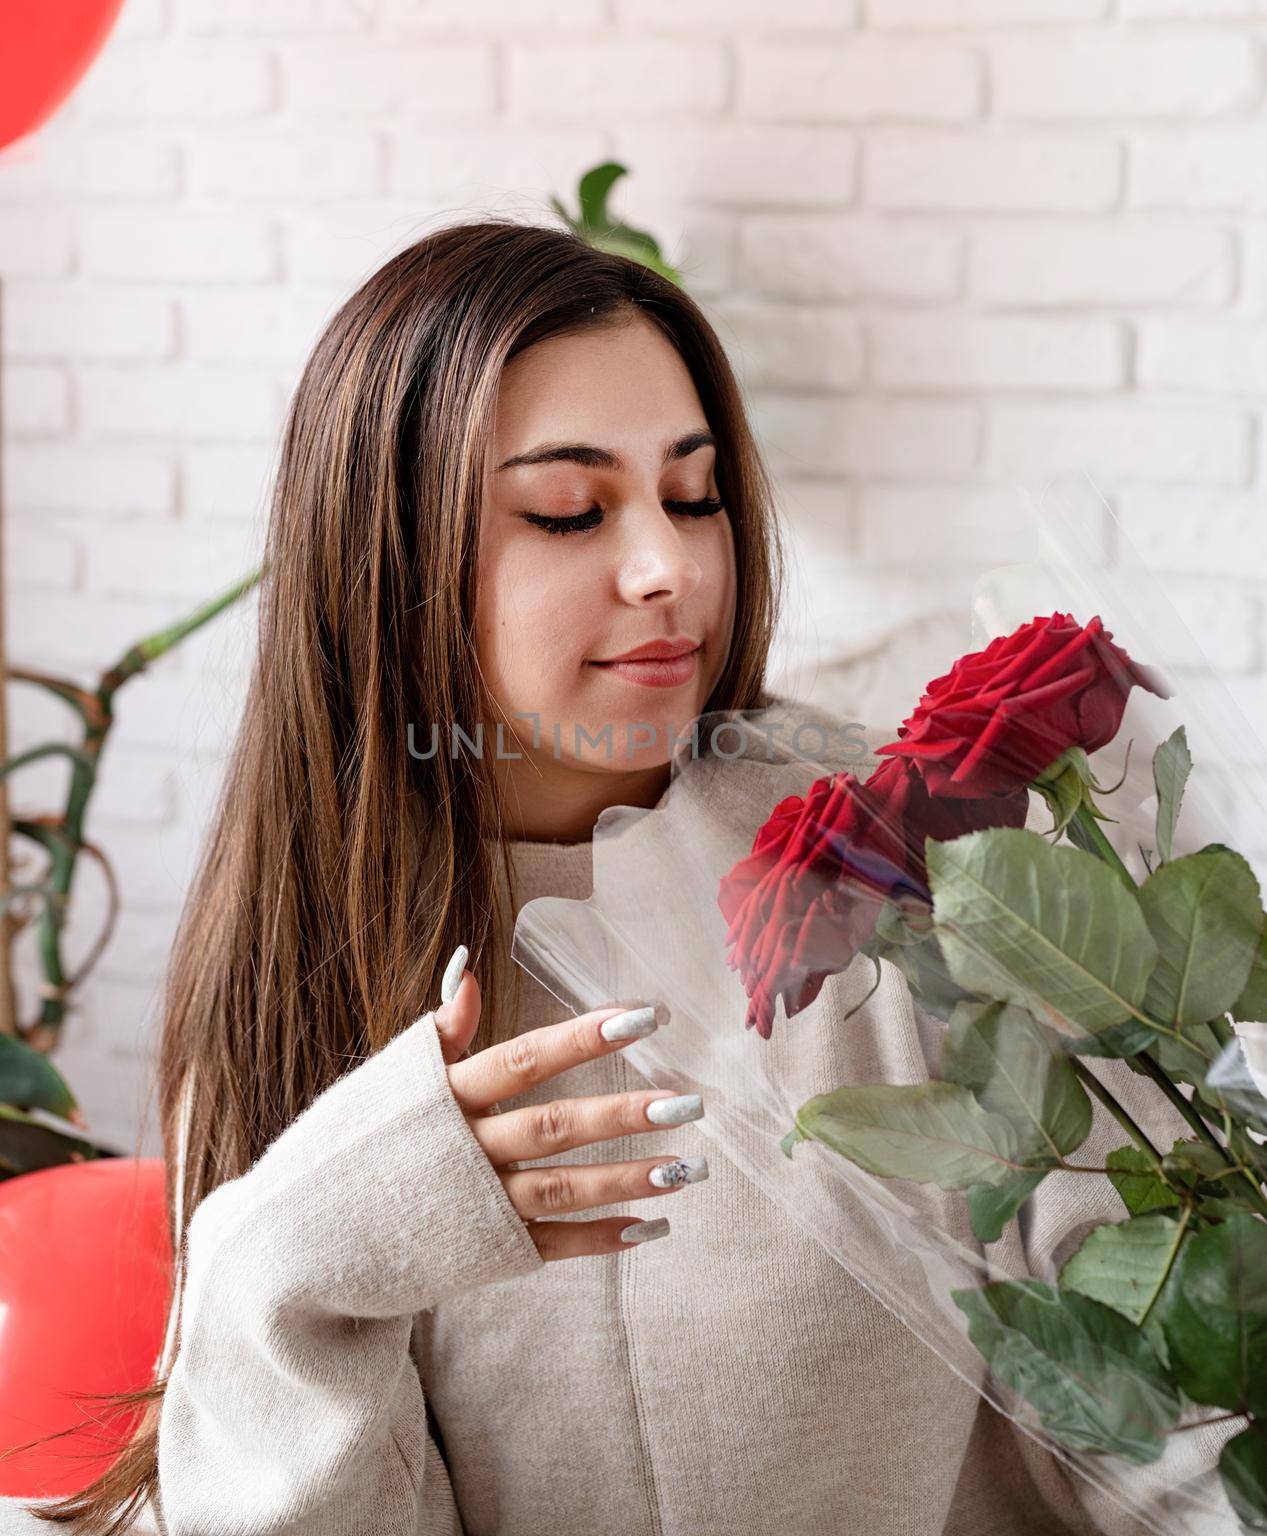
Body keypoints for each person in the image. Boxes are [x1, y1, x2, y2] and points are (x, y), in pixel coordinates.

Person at [4, 221, 1223, 1536]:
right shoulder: (294, 973)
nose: (671, 569)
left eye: (694, 496)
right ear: (390, 558)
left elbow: (1178, 1431)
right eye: (569, 512)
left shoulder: (919, 872)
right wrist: (280, 1275)